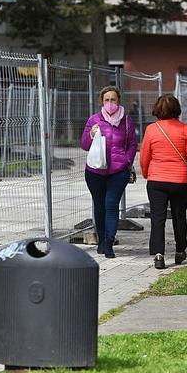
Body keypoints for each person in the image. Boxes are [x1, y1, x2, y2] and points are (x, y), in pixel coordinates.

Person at [139, 94, 187, 269]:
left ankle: (158, 254)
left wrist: (146, 173)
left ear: (157, 110)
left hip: (157, 181)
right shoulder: (185, 130)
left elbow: (144, 156)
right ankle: (180, 250)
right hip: (180, 181)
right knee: (179, 217)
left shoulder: (151, 129)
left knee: (158, 218)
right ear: (177, 110)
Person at [80, 86, 138, 258]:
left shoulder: (126, 121)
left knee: (111, 205)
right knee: (99, 207)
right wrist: (91, 134)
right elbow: (84, 145)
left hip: (118, 171)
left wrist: (127, 161)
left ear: (118, 101)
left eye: (113, 100)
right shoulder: (94, 120)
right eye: (107, 100)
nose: (110, 103)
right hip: (95, 171)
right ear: (102, 102)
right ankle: (101, 240)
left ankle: (109, 243)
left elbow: (133, 144)